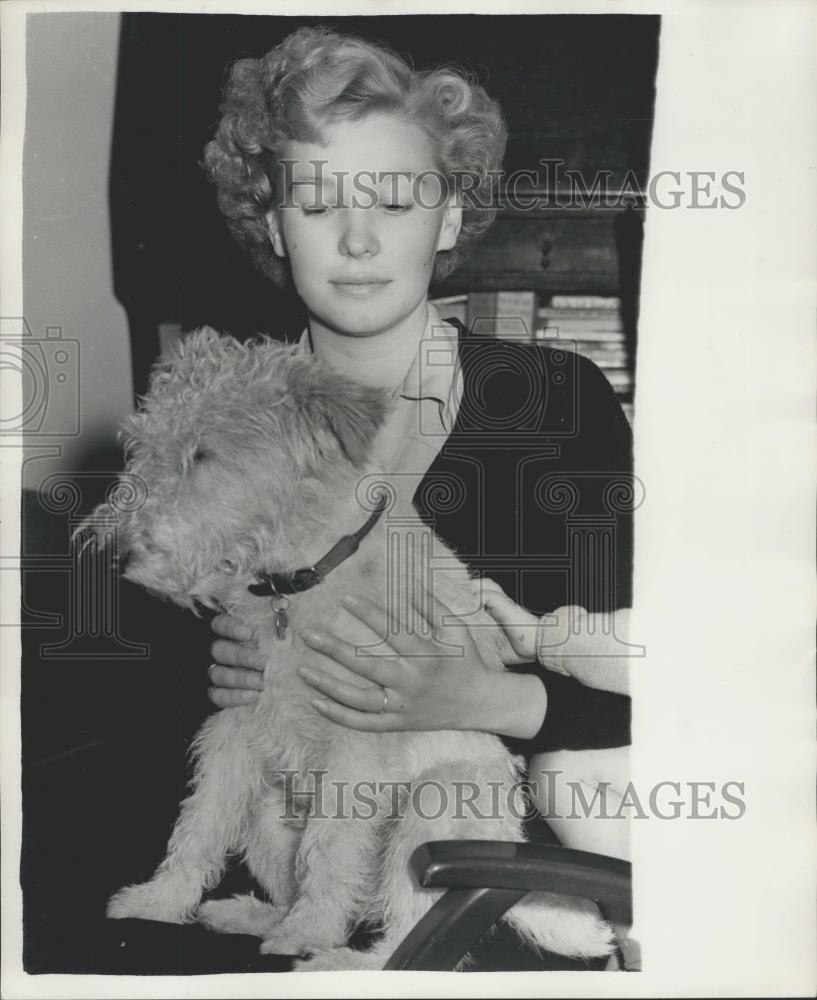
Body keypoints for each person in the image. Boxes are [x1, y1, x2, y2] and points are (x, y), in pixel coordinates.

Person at [203, 26, 634, 861]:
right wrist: (211, 674)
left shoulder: (556, 403)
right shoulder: (225, 424)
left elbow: (675, 684)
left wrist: (490, 699)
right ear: (273, 222)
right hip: (290, 866)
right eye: (319, 203)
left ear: (449, 219)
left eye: (395, 202)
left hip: (522, 860)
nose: (358, 240)